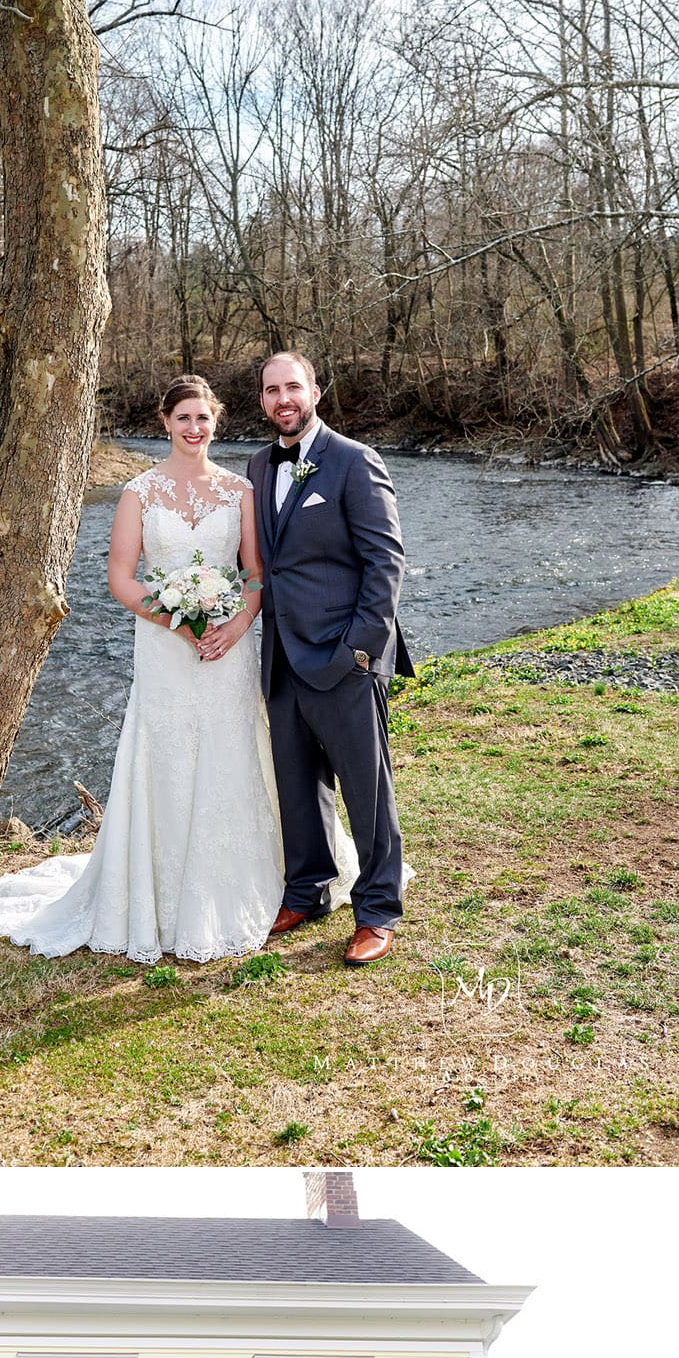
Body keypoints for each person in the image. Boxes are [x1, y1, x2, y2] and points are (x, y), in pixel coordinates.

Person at [0, 373, 355, 966]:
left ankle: (264, 882)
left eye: (203, 418)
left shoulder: (240, 490)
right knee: (168, 756)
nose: (193, 428)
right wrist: (178, 622)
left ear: (217, 422)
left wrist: (234, 626)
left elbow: (257, 575)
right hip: (163, 648)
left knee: (233, 751)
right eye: (183, 418)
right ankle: (156, 893)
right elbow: (121, 580)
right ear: (165, 423)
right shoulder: (139, 493)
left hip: (228, 648)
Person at [248, 350, 410, 968]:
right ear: (262, 401)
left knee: (368, 792)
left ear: (315, 390)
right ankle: (308, 890)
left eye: (293, 386)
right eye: (271, 390)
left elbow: (385, 564)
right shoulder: (260, 465)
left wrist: (362, 649)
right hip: (282, 656)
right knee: (297, 784)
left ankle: (376, 910)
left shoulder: (353, 461)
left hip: (345, 657)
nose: (283, 399)